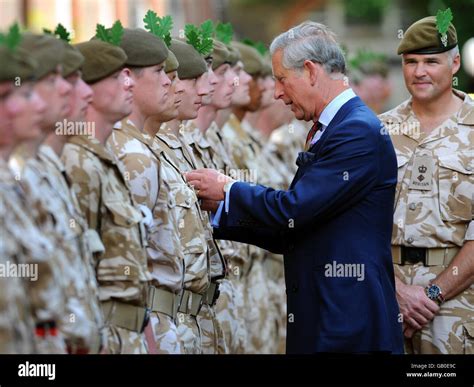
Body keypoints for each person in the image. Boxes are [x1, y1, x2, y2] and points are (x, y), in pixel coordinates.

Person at [186, 21, 404, 354]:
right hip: (329, 320)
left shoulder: (356, 131)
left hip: (347, 327)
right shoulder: (338, 126)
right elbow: (295, 228)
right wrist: (220, 212)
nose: (276, 93)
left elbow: (294, 209)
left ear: (311, 71)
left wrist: (230, 190)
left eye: (281, 79)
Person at [379, 12, 474, 354]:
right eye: (411, 61)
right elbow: (357, 218)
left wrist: (432, 294)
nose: (419, 72)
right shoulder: (378, 130)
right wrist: (396, 291)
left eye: (431, 61)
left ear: (455, 63)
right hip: (385, 295)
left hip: (457, 305)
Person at [62, 39, 153, 354]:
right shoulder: (78, 162)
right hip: (106, 337)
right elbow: (78, 267)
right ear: (88, 89)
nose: (129, 84)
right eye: (115, 77)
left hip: (130, 334)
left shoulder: (104, 158)